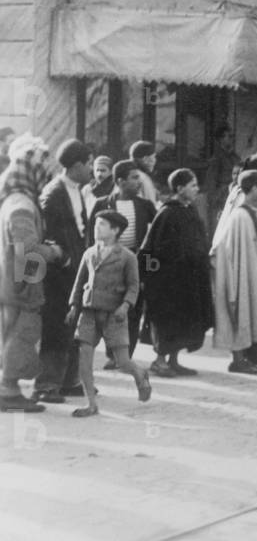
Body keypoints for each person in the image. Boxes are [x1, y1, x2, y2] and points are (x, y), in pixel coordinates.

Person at [66, 210, 151, 417]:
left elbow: (133, 287)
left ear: (115, 230)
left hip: (114, 314)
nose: (97, 228)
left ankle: (139, 374)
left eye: (102, 224)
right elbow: (79, 283)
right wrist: (73, 306)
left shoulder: (127, 257)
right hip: (89, 312)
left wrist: (125, 306)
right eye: (96, 224)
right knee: (84, 360)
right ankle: (91, 404)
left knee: (122, 362)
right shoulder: (89, 253)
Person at [0, 136, 62, 412]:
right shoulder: (22, 205)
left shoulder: (11, 199)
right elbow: (27, 250)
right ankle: (9, 391)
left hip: (14, 281)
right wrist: (54, 252)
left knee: (13, 333)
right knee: (21, 335)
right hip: (22, 283)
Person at [33, 139, 92, 404]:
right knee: (57, 325)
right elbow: (49, 236)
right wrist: (67, 260)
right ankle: (46, 385)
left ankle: (69, 381)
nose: (92, 168)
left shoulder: (76, 190)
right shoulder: (53, 193)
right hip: (59, 274)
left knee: (73, 323)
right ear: (77, 165)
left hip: (76, 271)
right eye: (89, 163)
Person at [139, 169, 213, 377]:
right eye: (193, 185)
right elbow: (149, 249)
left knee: (185, 320)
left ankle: (174, 360)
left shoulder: (190, 211)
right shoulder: (167, 213)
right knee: (168, 322)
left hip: (189, 280)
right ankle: (159, 361)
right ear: (179, 189)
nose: (197, 189)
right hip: (169, 282)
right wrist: (150, 278)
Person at [89, 159, 157, 362]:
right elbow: (91, 239)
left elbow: (153, 238)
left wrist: (148, 269)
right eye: (134, 178)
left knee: (133, 310)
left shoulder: (145, 205)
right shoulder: (103, 204)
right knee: (109, 309)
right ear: (120, 181)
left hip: (135, 263)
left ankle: (124, 354)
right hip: (109, 263)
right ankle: (111, 353)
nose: (139, 182)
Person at [210, 170, 257, 374]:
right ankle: (238, 359)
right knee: (238, 313)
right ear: (254, 188)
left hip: (248, 271)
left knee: (246, 312)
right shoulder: (240, 215)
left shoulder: (247, 212)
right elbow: (228, 248)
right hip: (238, 274)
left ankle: (244, 356)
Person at [129, 141, 160, 205]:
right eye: (154, 157)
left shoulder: (128, 175)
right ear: (145, 159)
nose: (155, 160)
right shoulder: (142, 178)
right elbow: (151, 207)